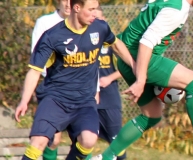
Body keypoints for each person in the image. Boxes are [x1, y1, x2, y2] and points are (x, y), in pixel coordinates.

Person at [91, 0, 193, 160]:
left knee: (151, 115)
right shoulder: (177, 10)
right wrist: (141, 80)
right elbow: (146, 42)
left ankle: (107, 156)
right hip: (138, 56)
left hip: (126, 58)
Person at [14, 0, 135, 159]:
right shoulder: (53, 36)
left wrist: (135, 66)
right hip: (55, 99)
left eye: (96, 9)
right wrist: (24, 100)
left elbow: (116, 45)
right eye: (91, 9)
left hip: (85, 101)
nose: (95, 13)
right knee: (38, 142)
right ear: (77, 8)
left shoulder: (100, 28)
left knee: (88, 141)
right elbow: (34, 71)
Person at [31, 0, 70, 159]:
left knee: (85, 137)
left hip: (81, 88)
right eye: (64, 0)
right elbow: (37, 56)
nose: (68, 3)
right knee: (53, 139)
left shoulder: (85, 23)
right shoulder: (45, 23)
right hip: (55, 87)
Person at [96, 7, 127, 160]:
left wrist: (110, 78)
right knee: (82, 141)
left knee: (117, 142)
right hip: (87, 99)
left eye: (100, 19)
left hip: (109, 99)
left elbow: (127, 67)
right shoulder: (80, 42)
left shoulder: (113, 43)